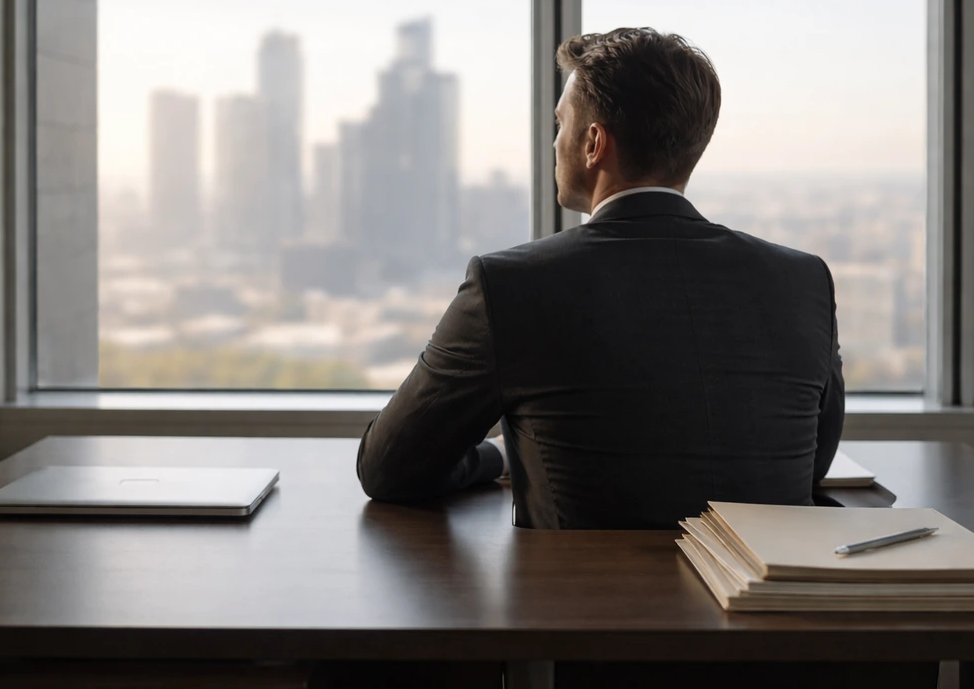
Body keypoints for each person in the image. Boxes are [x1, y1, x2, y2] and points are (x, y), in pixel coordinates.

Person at [356, 27, 844, 530]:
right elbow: (811, 466)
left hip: (585, 606)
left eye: (560, 124)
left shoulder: (511, 285)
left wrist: (497, 459)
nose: (554, 142)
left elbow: (388, 467)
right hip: (762, 606)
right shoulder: (803, 281)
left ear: (593, 143)